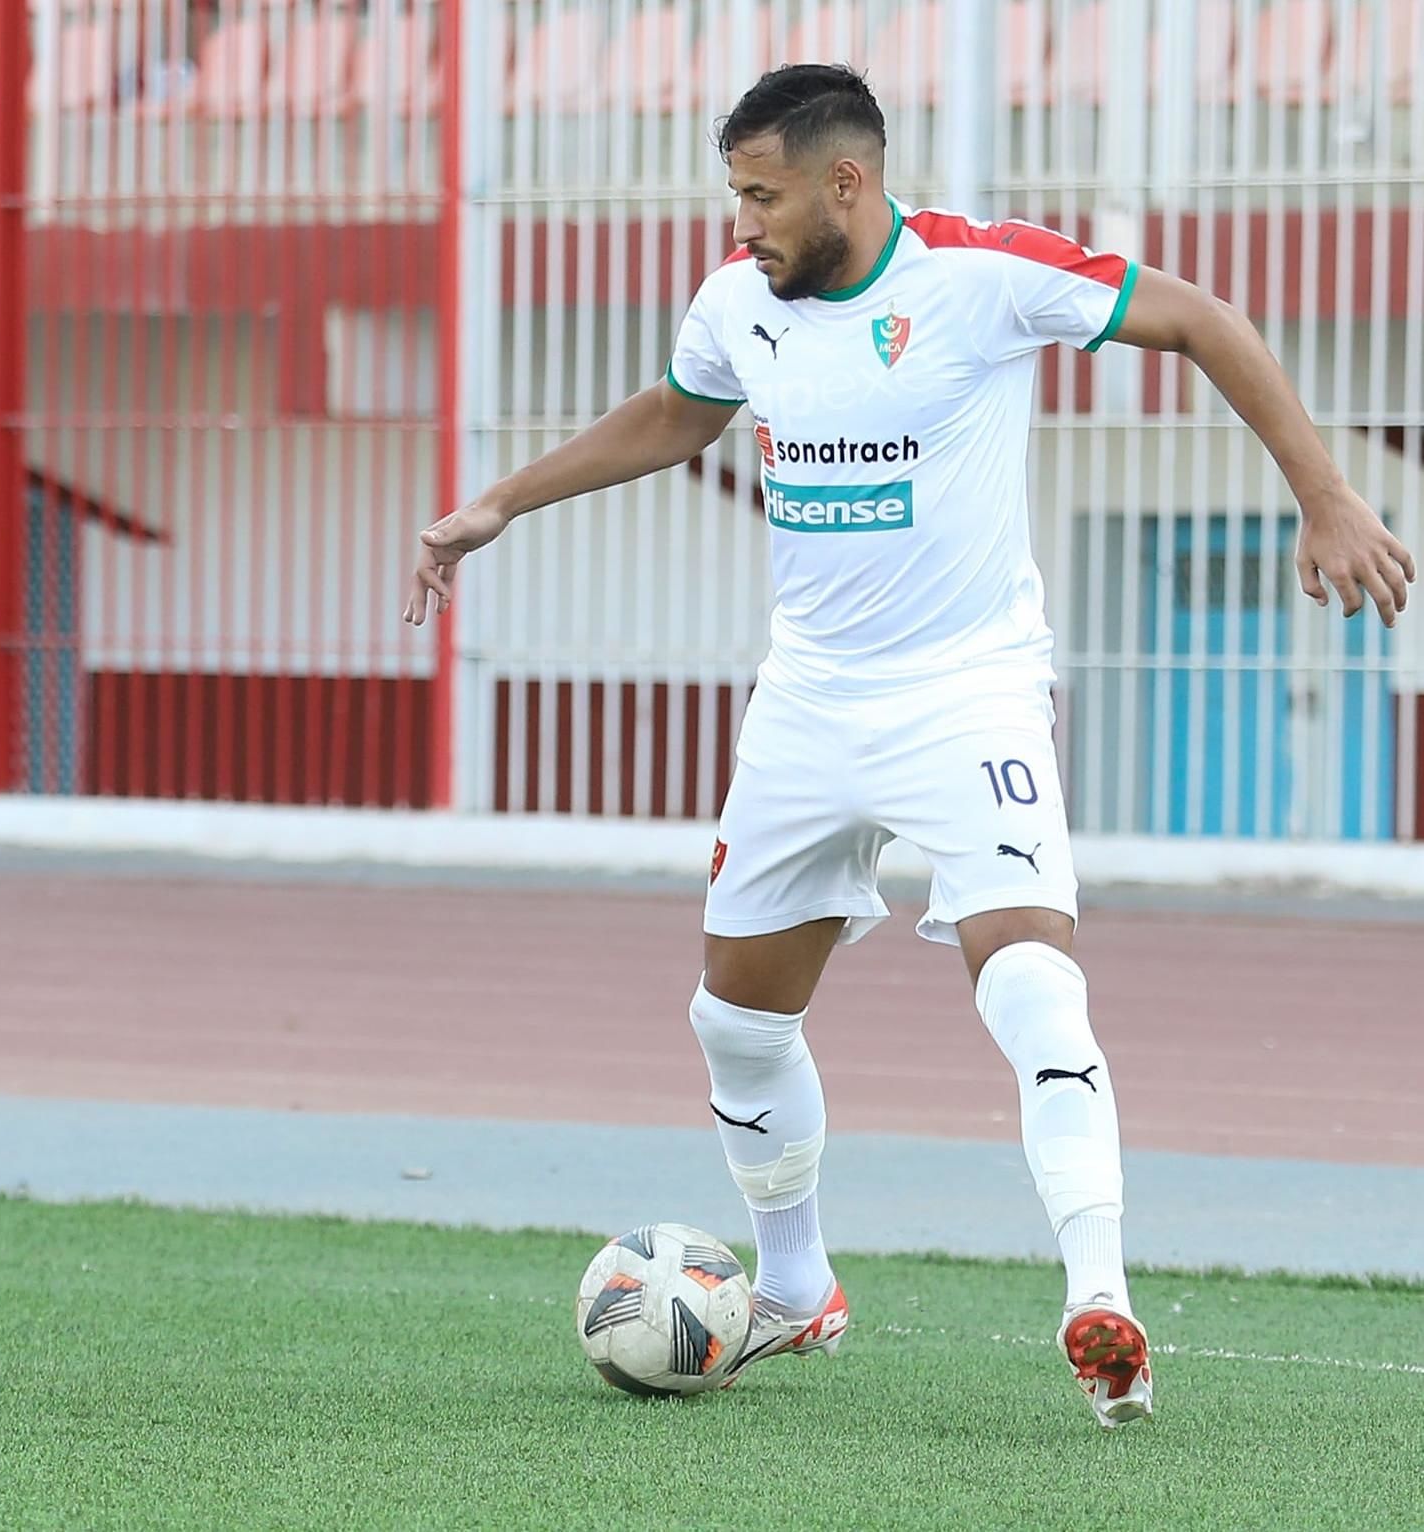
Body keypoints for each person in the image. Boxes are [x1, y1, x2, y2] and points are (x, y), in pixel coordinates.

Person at [403, 65, 1414, 1428]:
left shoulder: (978, 275)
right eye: (733, 194)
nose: (741, 221)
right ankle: (795, 1284)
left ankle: (1099, 1298)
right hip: (806, 706)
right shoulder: (736, 301)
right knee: (734, 1020)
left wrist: (1323, 492)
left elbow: (1200, 319)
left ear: (846, 181)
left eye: (761, 195)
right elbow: (679, 411)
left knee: (1030, 977)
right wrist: (499, 503)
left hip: (967, 697)